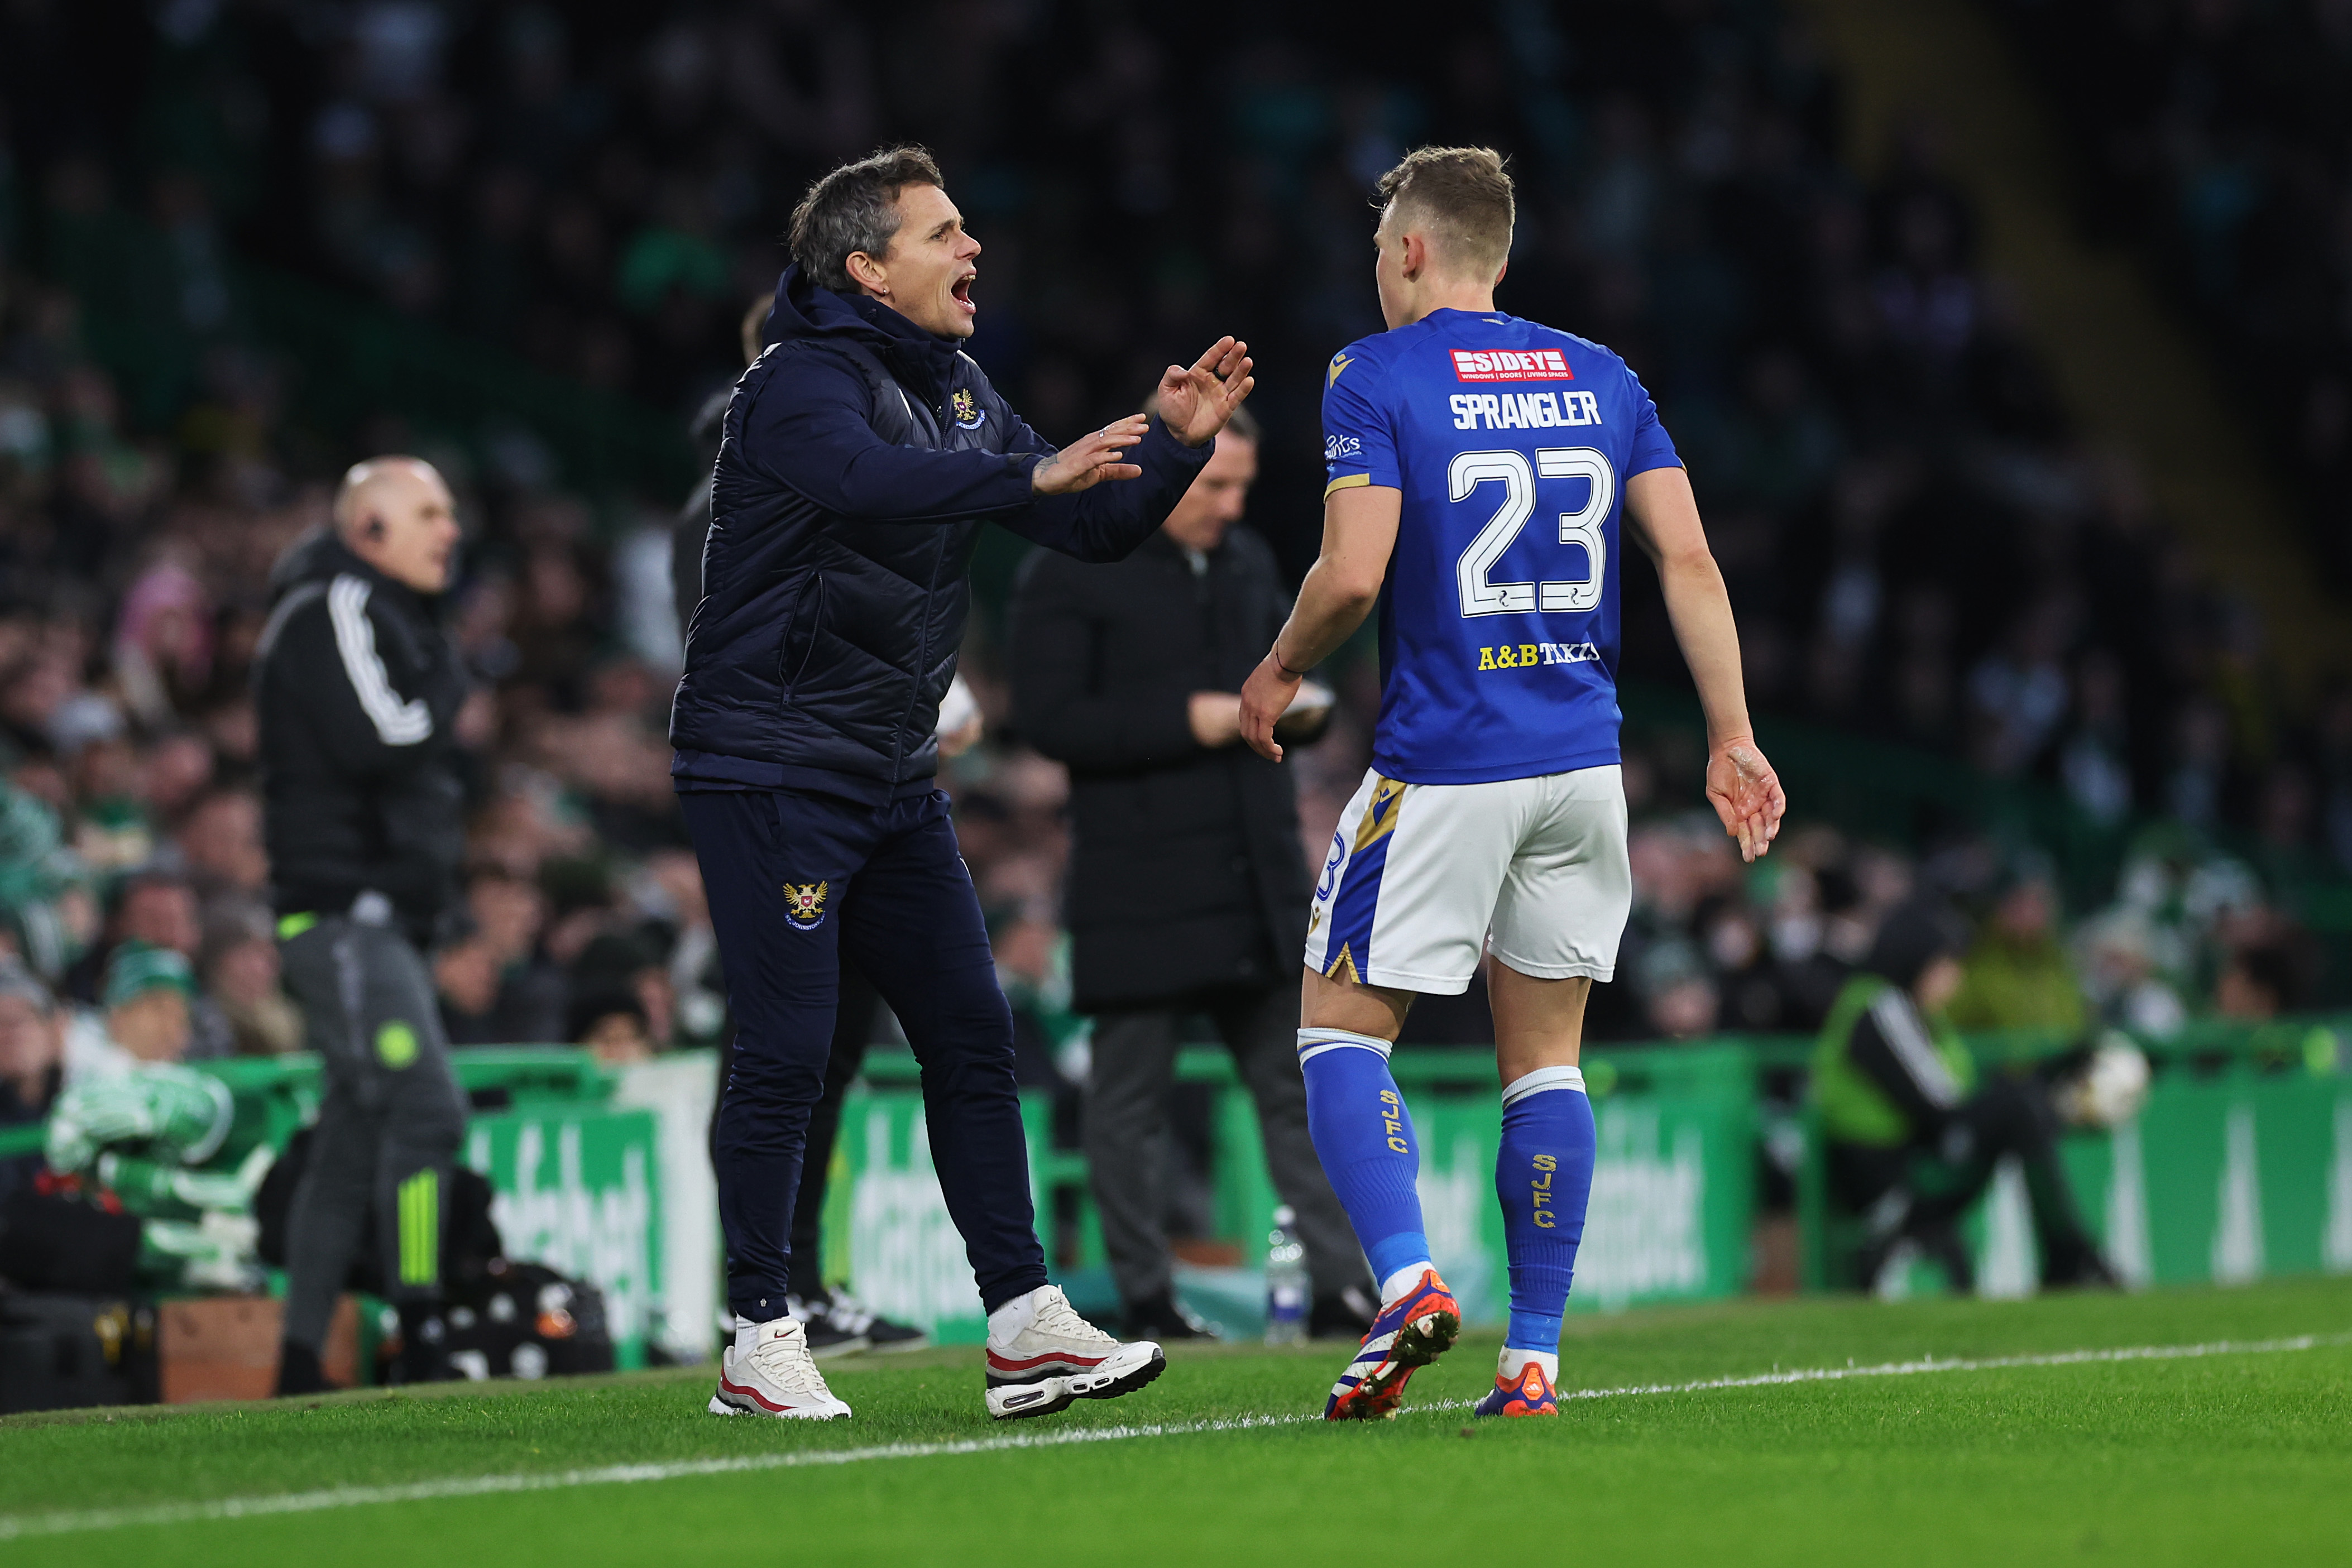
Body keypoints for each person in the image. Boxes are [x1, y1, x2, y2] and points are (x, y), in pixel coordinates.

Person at [668, 146, 1254, 1422]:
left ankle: (1022, 1320)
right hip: (771, 766)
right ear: (865, 267)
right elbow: (866, 487)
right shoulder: (796, 386)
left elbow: (1083, 523)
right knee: (781, 1051)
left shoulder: (959, 391)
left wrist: (1162, 450)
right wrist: (1021, 474)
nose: (971, 248)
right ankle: (757, 1334)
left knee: (972, 1033)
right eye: (942, 234)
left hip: (885, 773)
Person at [1235, 147, 1786, 1421]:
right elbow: (1690, 562)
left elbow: (1354, 572)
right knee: (1542, 1066)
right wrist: (1730, 734)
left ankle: (1407, 1282)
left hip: (1444, 760)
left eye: (1380, 250)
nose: (1373, 273)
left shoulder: (1369, 374)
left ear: (1415, 250)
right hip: (1580, 766)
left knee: (1333, 1032)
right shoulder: (1603, 378)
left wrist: (1274, 669)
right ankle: (1529, 1357)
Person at [1009, 402, 1374, 1342]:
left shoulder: (1249, 562)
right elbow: (1051, 719)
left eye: (1240, 485)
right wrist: (1195, 718)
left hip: (1256, 874)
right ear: (1151, 473)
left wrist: (1305, 710)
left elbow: (1278, 686)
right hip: (1139, 882)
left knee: (1301, 1090)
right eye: (1212, 484)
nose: (1228, 503)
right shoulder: (1070, 564)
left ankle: (1343, 1289)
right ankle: (1145, 1297)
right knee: (1129, 1101)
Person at [256, 455, 472, 1394]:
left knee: (351, 1132)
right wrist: (449, 691)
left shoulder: (386, 612)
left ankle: (299, 1358)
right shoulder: (333, 604)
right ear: (368, 529)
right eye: (427, 511)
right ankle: (418, 1333)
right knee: (427, 1109)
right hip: (348, 917)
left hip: (377, 919)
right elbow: (378, 734)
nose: (448, 528)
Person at [1813, 897, 2117, 1292]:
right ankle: (2067, 1255)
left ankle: (2068, 1253)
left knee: (2019, 1105)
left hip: (1918, 1161)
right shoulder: (1879, 1005)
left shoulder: (1923, 1018)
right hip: (1886, 1182)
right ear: (1915, 959)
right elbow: (1939, 1103)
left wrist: (2049, 1074)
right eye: (1946, 965)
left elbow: (1964, 1091)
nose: (1954, 978)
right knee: (2015, 1107)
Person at [61, 939, 196, 1080]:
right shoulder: (74, 1062)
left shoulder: (188, 1084)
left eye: (181, 1018)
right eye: (159, 1010)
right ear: (117, 1012)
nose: (171, 1029)